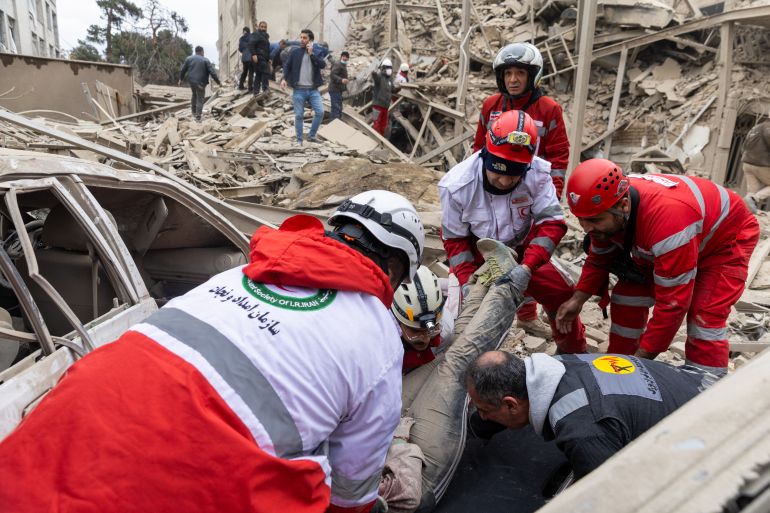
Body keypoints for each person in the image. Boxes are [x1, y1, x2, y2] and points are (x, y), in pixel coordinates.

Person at [0, 190, 426, 513]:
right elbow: (352, 488)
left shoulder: (244, 272)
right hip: (198, 469)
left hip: (73, 418)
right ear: (393, 269)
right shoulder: (378, 333)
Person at [556, 159, 759, 376]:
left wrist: (640, 363)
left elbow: (673, 305)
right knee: (628, 295)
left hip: (725, 240)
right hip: (676, 232)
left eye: (594, 221)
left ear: (623, 206)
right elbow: (600, 256)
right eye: (581, 220)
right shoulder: (610, 206)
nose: (586, 229)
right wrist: (578, 300)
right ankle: (618, 360)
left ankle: (706, 385)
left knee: (704, 315)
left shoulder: (668, 225)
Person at [381, 239, 527, 512]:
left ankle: (485, 280)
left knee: (450, 352)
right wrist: (399, 442)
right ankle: (509, 287)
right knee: (458, 365)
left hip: (386, 433)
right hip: (414, 469)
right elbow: (406, 496)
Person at [439, 109, 587, 354]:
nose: (506, 181)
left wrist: (527, 267)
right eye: (500, 170)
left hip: (523, 249)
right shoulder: (456, 185)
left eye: (515, 173)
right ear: (486, 154)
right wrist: (466, 280)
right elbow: (455, 240)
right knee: (468, 317)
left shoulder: (538, 174)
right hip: (479, 254)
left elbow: (552, 223)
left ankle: (573, 355)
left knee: (562, 292)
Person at [464, 349, 709, 480]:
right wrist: (468, 430)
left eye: (484, 411)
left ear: (511, 405)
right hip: (695, 391)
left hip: (707, 446)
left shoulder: (582, 431)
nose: (483, 416)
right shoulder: (559, 365)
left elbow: (607, 497)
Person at [474, 43, 571, 333]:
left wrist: (548, 193)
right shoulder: (490, 106)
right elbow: (478, 149)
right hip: (498, 190)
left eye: (519, 73)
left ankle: (531, 314)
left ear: (533, 76)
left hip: (533, 192)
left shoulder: (549, 109)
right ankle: (522, 311)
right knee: (503, 250)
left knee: (533, 253)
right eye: (507, 73)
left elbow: (559, 156)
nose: (513, 79)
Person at [281, 29, 326, 145]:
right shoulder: (295, 52)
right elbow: (287, 66)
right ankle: (299, 140)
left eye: (305, 38)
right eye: (301, 37)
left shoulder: (317, 52)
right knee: (299, 115)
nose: (301, 40)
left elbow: (322, 65)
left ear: (310, 40)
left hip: (313, 90)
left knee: (320, 112)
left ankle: (311, 136)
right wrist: (284, 79)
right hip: (299, 90)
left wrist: (312, 54)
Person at [178, 46, 221, 122]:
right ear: (202, 52)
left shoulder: (189, 59)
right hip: (201, 82)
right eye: (203, 52)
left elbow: (183, 70)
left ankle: (193, 112)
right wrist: (218, 82)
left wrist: (180, 79)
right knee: (200, 98)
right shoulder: (205, 60)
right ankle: (198, 117)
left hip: (191, 81)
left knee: (194, 95)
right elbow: (213, 72)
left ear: (196, 51)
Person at [742, 119, 770, 212]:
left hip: (747, 163)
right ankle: (755, 198)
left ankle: (743, 211)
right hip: (761, 164)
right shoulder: (768, 127)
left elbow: (744, 145)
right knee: (754, 196)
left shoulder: (755, 128)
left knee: (752, 192)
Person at [371, 58, 398, 136]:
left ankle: (381, 140)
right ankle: (376, 141)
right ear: (383, 68)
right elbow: (376, 79)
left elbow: (392, 89)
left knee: (383, 125)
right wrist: (374, 74)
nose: (389, 69)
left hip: (385, 106)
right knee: (377, 124)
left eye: (390, 67)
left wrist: (398, 89)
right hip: (378, 105)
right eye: (387, 67)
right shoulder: (379, 76)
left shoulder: (390, 79)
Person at [248, 20, 271, 95]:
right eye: (262, 27)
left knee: (258, 75)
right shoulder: (256, 34)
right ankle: (265, 89)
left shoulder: (265, 36)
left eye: (265, 27)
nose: (263, 28)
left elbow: (266, 48)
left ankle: (256, 92)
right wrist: (254, 54)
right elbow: (251, 44)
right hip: (259, 56)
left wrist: (269, 58)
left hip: (264, 57)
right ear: (258, 27)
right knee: (265, 72)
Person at [329, 51, 350, 120]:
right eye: (344, 56)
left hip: (338, 90)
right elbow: (333, 75)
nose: (345, 58)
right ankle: (334, 126)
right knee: (336, 109)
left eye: (346, 57)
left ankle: (336, 124)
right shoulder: (338, 64)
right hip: (335, 89)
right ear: (341, 56)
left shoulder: (342, 65)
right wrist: (341, 80)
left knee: (338, 108)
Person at [237, 27, 254, 91]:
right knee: (251, 72)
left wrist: (244, 51)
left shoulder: (241, 39)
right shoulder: (252, 36)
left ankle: (240, 86)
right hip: (250, 57)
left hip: (244, 58)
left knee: (244, 72)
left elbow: (240, 49)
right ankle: (250, 88)